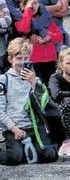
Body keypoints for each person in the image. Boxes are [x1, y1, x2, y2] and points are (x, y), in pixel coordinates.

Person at [0, 37, 59, 165]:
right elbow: (0, 111)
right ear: (10, 59)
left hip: (34, 127)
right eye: (19, 58)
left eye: (26, 58)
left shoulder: (35, 80)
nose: (23, 62)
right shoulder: (4, 80)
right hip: (13, 128)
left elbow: (42, 105)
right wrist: (14, 129)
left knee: (50, 155)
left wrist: (33, 83)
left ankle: (31, 148)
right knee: (15, 157)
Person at [13, 0, 63, 83]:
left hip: (50, 58)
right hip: (34, 60)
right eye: (31, 4)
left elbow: (59, 36)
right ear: (24, 5)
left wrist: (48, 36)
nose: (34, 6)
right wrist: (28, 10)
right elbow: (24, 28)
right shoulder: (20, 18)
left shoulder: (46, 17)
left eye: (36, 3)